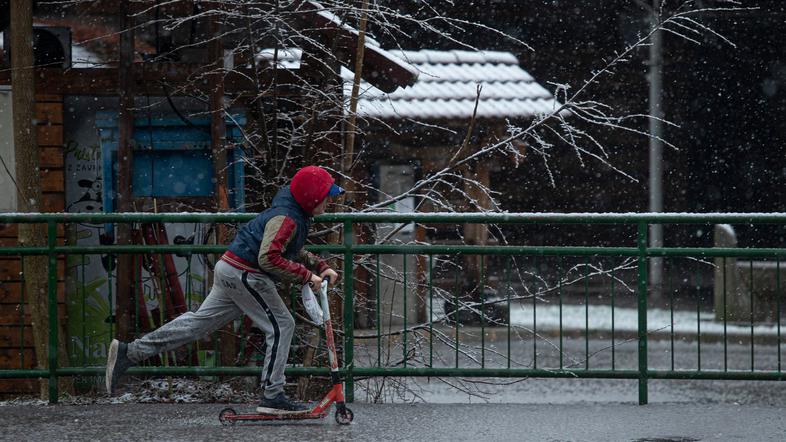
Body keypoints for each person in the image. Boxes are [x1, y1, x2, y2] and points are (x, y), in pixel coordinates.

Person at [105, 166, 343, 413]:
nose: (329, 201)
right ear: (311, 197)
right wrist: (306, 275)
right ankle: (273, 395)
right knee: (283, 325)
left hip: (231, 267)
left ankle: (130, 352)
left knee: (197, 324)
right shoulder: (287, 217)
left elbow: (288, 249)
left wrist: (319, 265)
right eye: (326, 196)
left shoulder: (291, 213)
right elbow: (269, 257)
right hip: (246, 273)